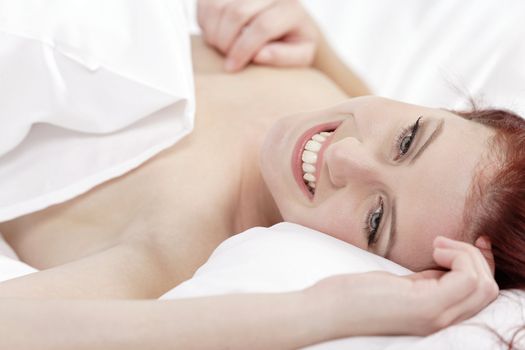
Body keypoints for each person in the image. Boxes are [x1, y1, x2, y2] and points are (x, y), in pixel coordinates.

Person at [1, 0, 521, 348]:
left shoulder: (171, 245)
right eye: (408, 139)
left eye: (375, 218)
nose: (346, 158)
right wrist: (311, 40)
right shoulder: (315, 84)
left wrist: (324, 313)